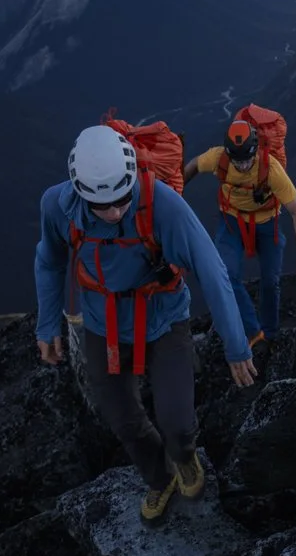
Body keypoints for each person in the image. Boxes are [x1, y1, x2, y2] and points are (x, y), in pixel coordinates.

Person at [35, 125, 258, 522]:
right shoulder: (57, 205)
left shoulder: (162, 205)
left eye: (122, 199)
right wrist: (47, 323)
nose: (116, 212)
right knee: (123, 420)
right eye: (102, 206)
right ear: (79, 189)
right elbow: (50, 260)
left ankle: (185, 457)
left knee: (177, 422)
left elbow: (211, 271)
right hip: (102, 325)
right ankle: (160, 479)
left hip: (163, 318)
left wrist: (236, 346)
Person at [189, 118, 296, 348]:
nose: (243, 166)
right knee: (226, 275)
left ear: (255, 150)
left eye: (247, 160)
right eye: (238, 161)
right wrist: (174, 191)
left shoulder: (272, 169)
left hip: (267, 225)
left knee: (270, 281)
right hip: (232, 222)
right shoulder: (219, 158)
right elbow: (194, 165)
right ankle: (253, 331)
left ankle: (269, 333)